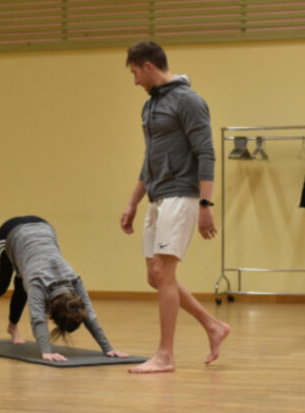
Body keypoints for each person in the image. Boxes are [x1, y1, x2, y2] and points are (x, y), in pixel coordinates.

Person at [120, 41, 230, 373]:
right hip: (157, 197)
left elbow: (206, 153)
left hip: (182, 195)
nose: (134, 81)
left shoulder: (189, 101)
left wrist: (205, 204)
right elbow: (150, 159)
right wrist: (133, 202)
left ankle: (165, 355)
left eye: (135, 72)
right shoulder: (150, 107)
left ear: (148, 66)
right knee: (155, 276)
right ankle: (213, 325)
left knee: (164, 274)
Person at [0, 215, 128, 361]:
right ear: (50, 310)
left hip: (44, 228)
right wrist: (46, 351)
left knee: (23, 283)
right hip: (10, 233)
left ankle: (12, 327)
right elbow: (38, 319)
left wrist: (108, 348)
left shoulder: (75, 281)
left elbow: (89, 315)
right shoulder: (38, 283)